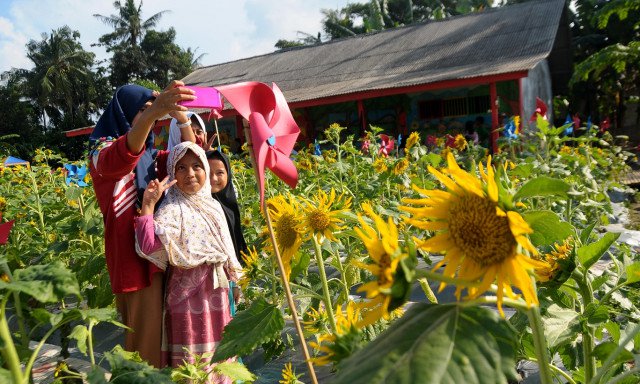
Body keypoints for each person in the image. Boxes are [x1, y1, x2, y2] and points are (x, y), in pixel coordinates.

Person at [88, 81, 196, 367]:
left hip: (158, 249)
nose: (152, 115)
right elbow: (124, 155)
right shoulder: (101, 151)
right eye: (143, 110)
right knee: (145, 347)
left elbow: (187, 159)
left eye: (153, 110)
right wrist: (154, 113)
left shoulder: (149, 154)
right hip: (132, 257)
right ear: (124, 113)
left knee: (168, 336)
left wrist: (182, 118)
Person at [134, 142, 242, 375]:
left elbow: (226, 252)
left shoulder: (214, 207)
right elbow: (148, 247)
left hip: (217, 295)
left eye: (196, 166)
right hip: (185, 301)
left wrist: (235, 283)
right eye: (181, 168)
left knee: (220, 355)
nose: (190, 174)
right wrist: (149, 205)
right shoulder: (171, 209)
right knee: (190, 360)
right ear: (172, 173)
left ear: (205, 168)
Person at [206, 150, 248, 314]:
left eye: (220, 173)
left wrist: (237, 282)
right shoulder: (199, 206)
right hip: (209, 281)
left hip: (229, 276)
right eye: (208, 173)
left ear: (228, 174)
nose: (213, 179)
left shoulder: (229, 204)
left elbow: (235, 243)